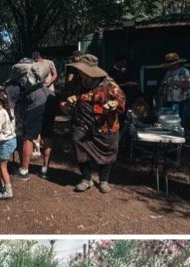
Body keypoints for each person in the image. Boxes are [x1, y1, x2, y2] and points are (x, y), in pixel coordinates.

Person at [63, 54, 126, 194]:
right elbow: (67, 99)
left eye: (83, 71)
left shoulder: (108, 83)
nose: (80, 73)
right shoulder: (77, 82)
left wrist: (114, 103)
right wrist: (69, 100)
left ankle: (104, 181)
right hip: (82, 123)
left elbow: (121, 99)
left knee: (107, 152)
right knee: (78, 145)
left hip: (104, 126)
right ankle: (86, 179)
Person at [33, 51, 58, 179]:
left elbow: (55, 74)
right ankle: (43, 165)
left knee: (46, 132)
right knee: (43, 132)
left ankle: (43, 165)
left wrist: (49, 84)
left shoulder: (49, 63)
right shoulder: (33, 65)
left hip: (47, 95)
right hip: (42, 97)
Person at [0, 89, 18, 201]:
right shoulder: (10, 111)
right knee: (3, 165)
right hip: (12, 140)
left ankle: (8, 191)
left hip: (5, 143)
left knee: (3, 168)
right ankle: (1, 185)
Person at [159, 52, 190, 129]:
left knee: (180, 119)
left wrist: (174, 82)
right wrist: (161, 90)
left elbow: (187, 84)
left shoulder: (184, 72)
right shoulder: (169, 72)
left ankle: (181, 133)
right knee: (169, 118)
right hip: (169, 99)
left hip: (181, 100)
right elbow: (163, 82)